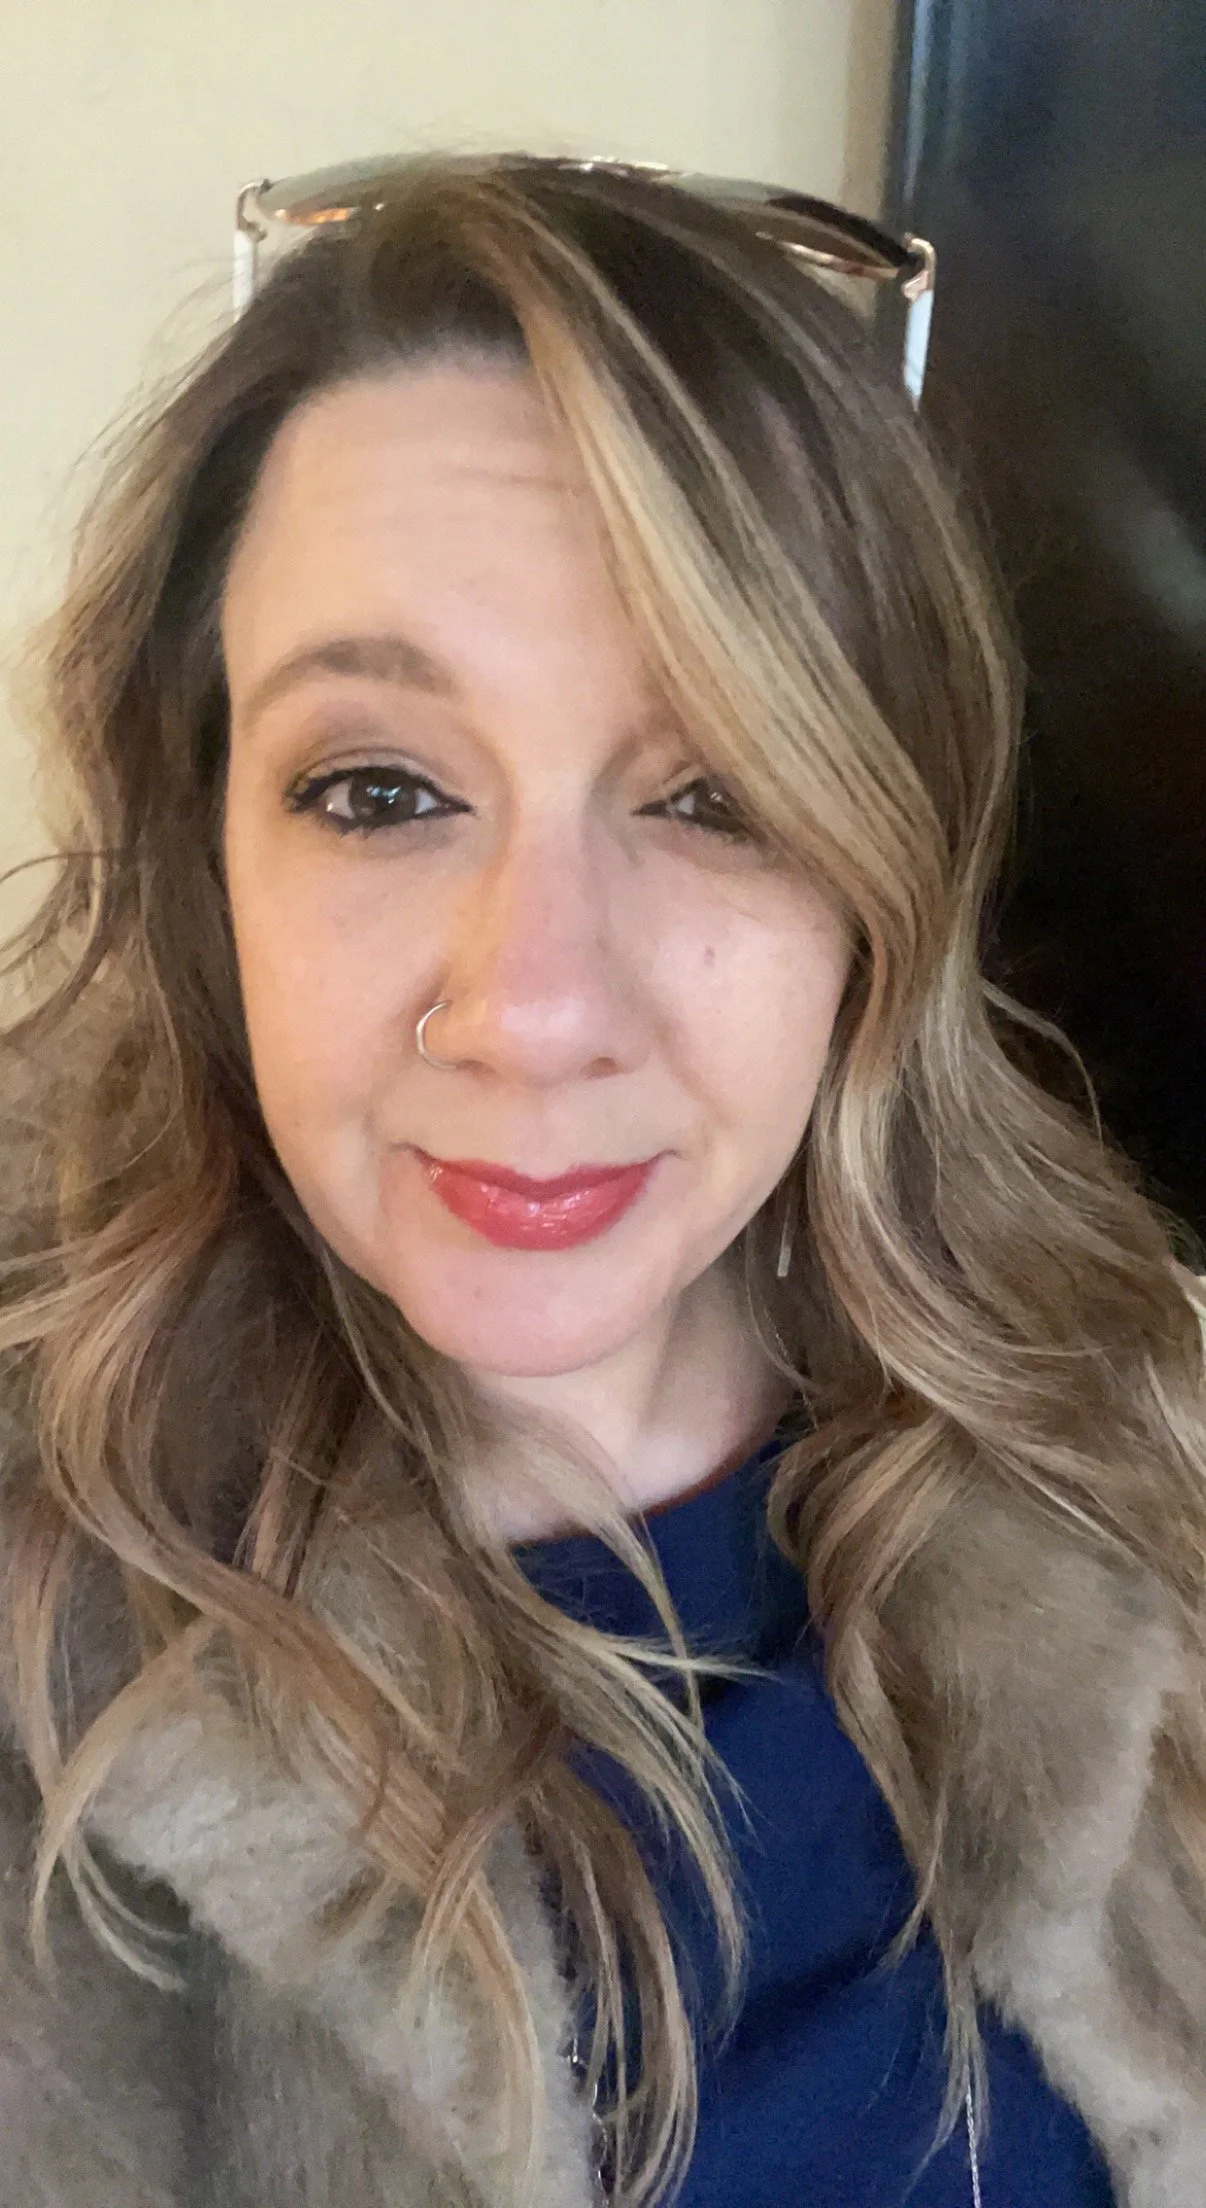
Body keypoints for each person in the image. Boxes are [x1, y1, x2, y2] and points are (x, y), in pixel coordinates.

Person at [0, 153, 1203, 2208]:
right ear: (210, 858)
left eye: (714, 789)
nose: (536, 1006)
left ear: (876, 880)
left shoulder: (1144, 1442)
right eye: (378, 789)